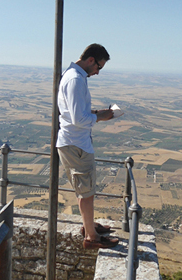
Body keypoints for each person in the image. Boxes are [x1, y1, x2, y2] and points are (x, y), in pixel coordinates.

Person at [56, 43, 119, 249]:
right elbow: (78, 119)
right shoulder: (75, 80)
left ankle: (89, 225)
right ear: (91, 60)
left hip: (73, 143)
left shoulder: (74, 76)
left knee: (85, 189)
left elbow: (76, 112)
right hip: (77, 144)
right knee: (86, 192)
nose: (98, 72)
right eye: (98, 67)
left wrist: (95, 112)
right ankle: (92, 238)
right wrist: (101, 116)